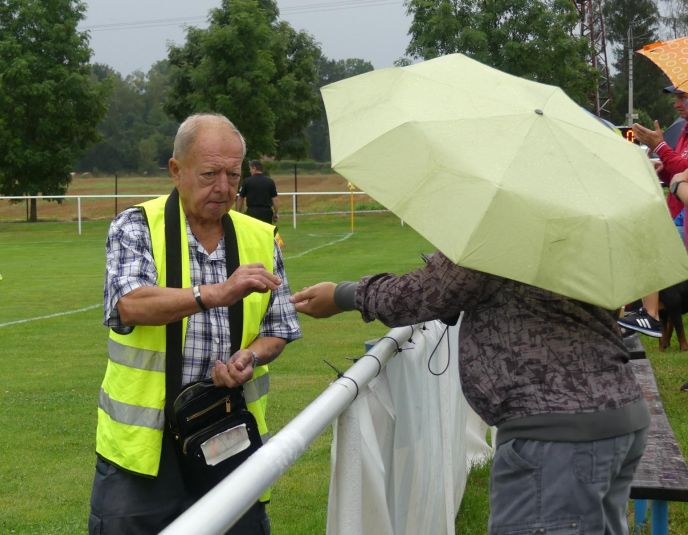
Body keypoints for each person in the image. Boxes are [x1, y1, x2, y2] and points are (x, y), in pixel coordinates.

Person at [291, 254, 649, 535]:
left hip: (556, 436)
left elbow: (424, 293)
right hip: (617, 417)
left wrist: (342, 295)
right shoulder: (577, 222)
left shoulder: (506, 223)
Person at [89, 113, 301, 534]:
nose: (223, 188)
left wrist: (249, 357)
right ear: (176, 170)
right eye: (209, 174)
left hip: (229, 432)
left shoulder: (261, 236)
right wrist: (215, 294)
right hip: (143, 449)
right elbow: (129, 304)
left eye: (232, 174)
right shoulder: (137, 225)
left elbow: (280, 327)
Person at [620, 84, 688, 336]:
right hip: (680, 212)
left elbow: (684, 169)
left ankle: (649, 314)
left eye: (683, 97)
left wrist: (660, 147)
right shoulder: (684, 131)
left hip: (682, 213)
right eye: (677, 98)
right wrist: (661, 165)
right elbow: (678, 167)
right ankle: (647, 314)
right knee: (648, 247)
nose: (677, 104)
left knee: (651, 246)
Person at [236, 160, 279, 224]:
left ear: (254, 168)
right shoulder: (270, 181)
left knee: (252, 233)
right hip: (266, 213)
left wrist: (238, 213)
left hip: (252, 212)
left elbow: (240, 198)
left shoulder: (247, 181)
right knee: (265, 233)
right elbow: (275, 199)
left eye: (250, 169)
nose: (249, 171)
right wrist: (276, 213)